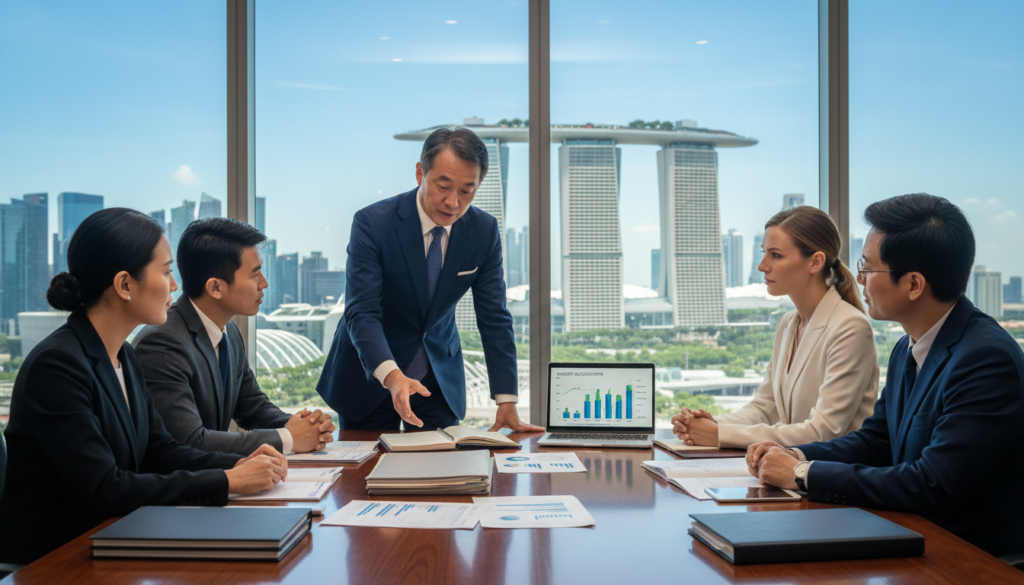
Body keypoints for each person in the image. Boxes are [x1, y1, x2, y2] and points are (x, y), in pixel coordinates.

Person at [0, 209, 288, 565]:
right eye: (166, 272)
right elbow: (105, 488)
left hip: (115, 539)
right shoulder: (57, 365)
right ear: (124, 285)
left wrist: (240, 462)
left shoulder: (123, 355)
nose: (175, 285)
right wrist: (228, 480)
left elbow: (160, 449)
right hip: (57, 559)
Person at [749, 193, 1024, 557]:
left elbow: (932, 483)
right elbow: (878, 442)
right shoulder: (908, 347)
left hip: (970, 557)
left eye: (868, 267)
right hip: (913, 536)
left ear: (913, 284)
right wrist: (793, 452)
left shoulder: (985, 359)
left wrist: (803, 473)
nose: (858, 277)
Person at [317, 126, 543, 433]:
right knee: (365, 476)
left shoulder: (484, 231)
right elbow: (362, 311)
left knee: (443, 474)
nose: (453, 202)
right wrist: (392, 376)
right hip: (370, 374)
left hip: (437, 379)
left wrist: (506, 400)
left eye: (467, 190)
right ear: (420, 173)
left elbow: (494, 317)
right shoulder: (373, 223)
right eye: (443, 186)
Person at [672, 206, 879, 448]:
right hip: (790, 470)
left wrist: (718, 434)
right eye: (764, 253)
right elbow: (765, 408)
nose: (762, 266)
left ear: (815, 262)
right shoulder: (788, 324)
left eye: (776, 255)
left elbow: (823, 432)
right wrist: (710, 425)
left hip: (833, 477)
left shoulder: (850, 327)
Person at [133, 218, 334, 456]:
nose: (264, 284)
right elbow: (189, 442)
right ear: (215, 287)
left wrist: (305, 426)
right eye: (255, 274)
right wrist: (288, 438)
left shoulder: (228, 331)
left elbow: (253, 409)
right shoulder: (162, 344)